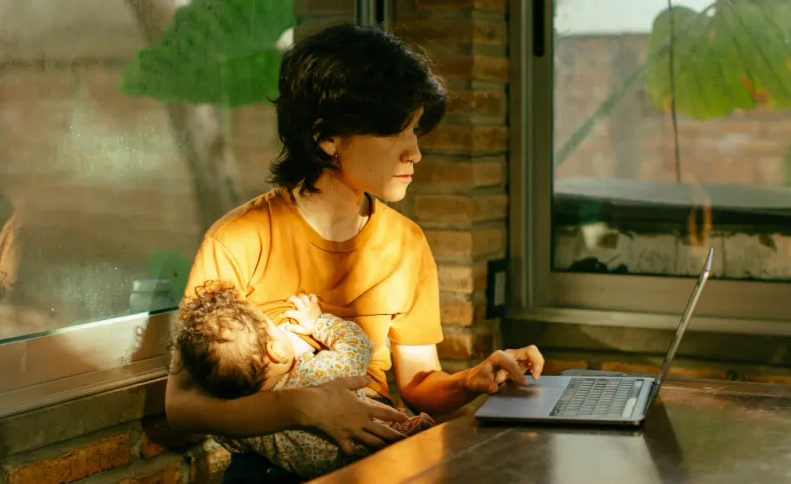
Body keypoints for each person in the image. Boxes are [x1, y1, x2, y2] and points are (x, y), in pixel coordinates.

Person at [165, 23, 545, 482]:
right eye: (396, 132)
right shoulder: (238, 240)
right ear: (326, 138)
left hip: (375, 454)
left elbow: (419, 384)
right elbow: (182, 406)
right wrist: (302, 406)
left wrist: (474, 379)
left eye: (416, 131)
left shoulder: (406, 244)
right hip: (275, 466)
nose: (415, 153)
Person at [174, 281, 435, 479]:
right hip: (380, 448)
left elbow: (227, 436)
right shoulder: (318, 374)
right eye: (275, 328)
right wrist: (317, 323)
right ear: (275, 352)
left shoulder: (250, 425)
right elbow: (358, 347)